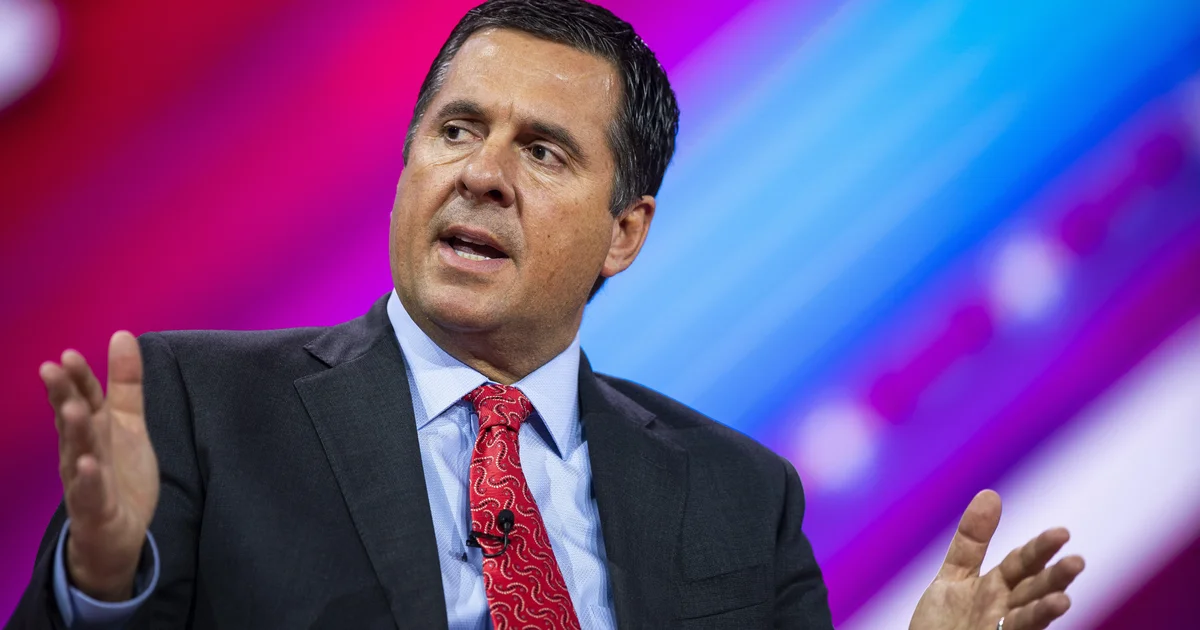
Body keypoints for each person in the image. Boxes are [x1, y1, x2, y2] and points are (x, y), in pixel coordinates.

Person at [8, 0, 1085, 628]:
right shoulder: (202, 409)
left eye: (542, 151)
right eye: (455, 130)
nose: (480, 174)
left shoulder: (740, 494)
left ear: (625, 233)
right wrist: (100, 582)